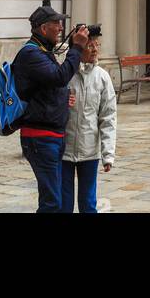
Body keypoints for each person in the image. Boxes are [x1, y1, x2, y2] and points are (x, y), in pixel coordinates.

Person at [12, 6, 89, 213]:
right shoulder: (31, 54)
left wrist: (63, 97)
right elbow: (60, 77)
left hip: (51, 135)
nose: (61, 28)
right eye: (57, 24)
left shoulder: (43, 52)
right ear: (44, 28)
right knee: (51, 202)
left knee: (54, 199)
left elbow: (49, 85)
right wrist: (77, 48)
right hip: (40, 137)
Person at [62, 32, 116, 213]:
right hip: (64, 150)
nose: (94, 50)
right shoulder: (65, 74)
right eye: (90, 45)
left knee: (88, 203)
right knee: (64, 203)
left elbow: (108, 117)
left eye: (97, 45)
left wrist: (108, 153)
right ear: (78, 49)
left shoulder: (102, 77)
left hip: (89, 151)